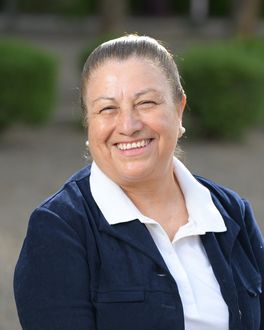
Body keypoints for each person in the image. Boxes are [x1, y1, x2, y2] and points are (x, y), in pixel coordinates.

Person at [14, 34, 263, 330]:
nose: (129, 125)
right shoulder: (59, 228)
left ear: (179, 110)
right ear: (89, 123)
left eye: (146, 103)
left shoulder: (230, 213)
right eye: (107, 109)